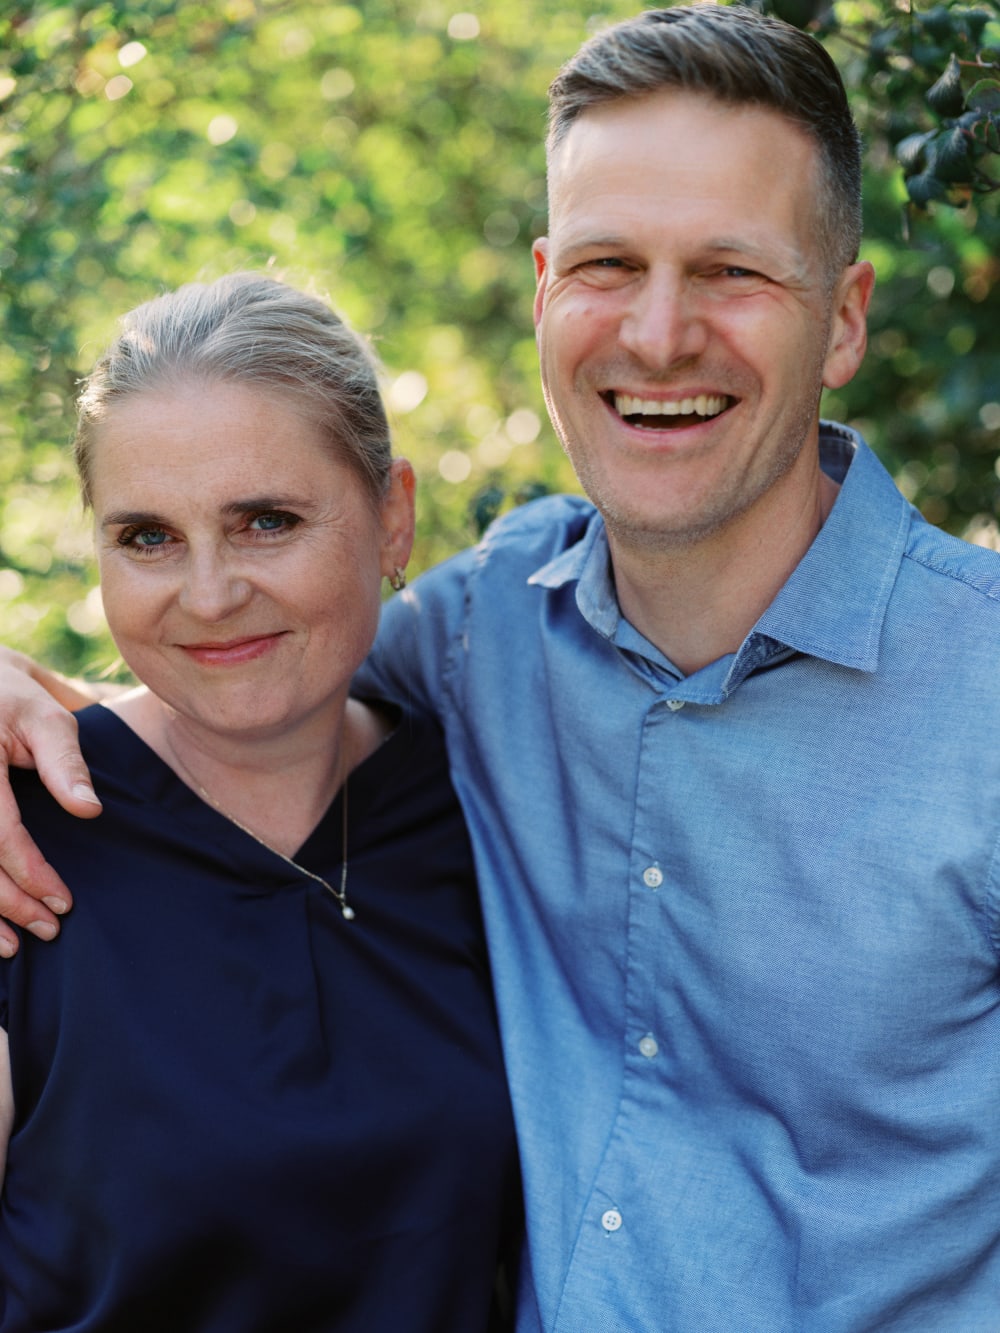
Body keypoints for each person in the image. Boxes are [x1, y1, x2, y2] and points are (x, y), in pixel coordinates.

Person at [0, 5, 999, 1329]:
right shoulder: (476, 641)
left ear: (846, 319)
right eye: (605, 264)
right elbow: (234, 667)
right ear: (543, 292)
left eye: (731, 273)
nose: (655, 334)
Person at [0, 273, 523, 1330]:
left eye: (267, 521)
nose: (207, 594)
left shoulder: (494, 803)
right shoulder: (23, 850)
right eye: (146, 537)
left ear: (392, 518)